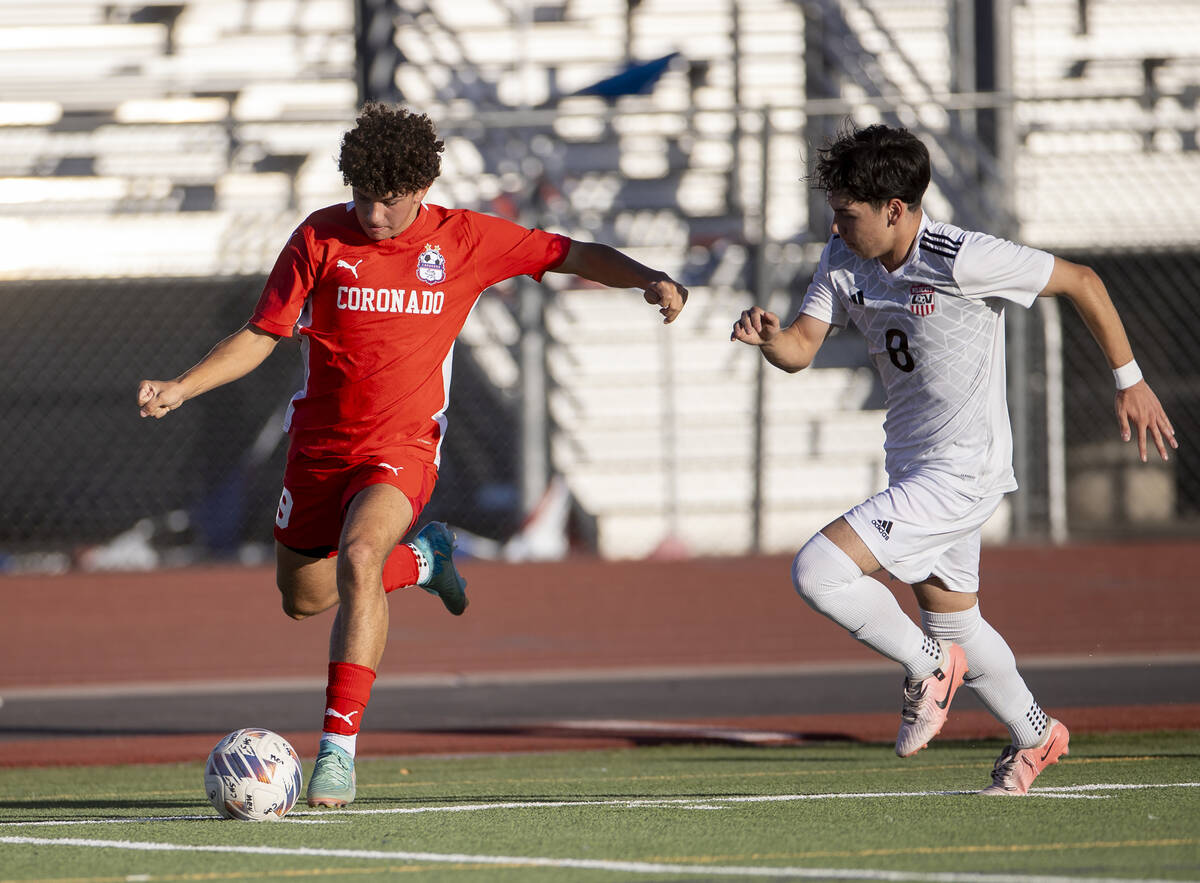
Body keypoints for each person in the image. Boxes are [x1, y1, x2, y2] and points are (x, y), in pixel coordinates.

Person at [138, 102, 688, 807]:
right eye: (363, 195)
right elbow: (262, 332)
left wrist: (648, 276)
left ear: (423, 188)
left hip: (401, 448)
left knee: (362, 558)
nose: (373, 212)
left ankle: (338, 752)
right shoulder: (318, 236)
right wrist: (182, 386)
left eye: (389, 200)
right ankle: (427, 559)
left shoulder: (465, 240)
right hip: (317, 450)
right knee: (303, 597)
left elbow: (569, 252)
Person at [731, 123, 1176, 795]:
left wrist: (1130, 379)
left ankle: (929, 667)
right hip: (914, 465)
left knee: (818, 570)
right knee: (955, 619)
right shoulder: (842, 257)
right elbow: (800, 347)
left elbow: (1082, 280)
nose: (836, 223)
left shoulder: (960, 255)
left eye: (848, 213)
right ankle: (1035, 733)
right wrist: (769, 340)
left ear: (896, 210)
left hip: (963, 469)